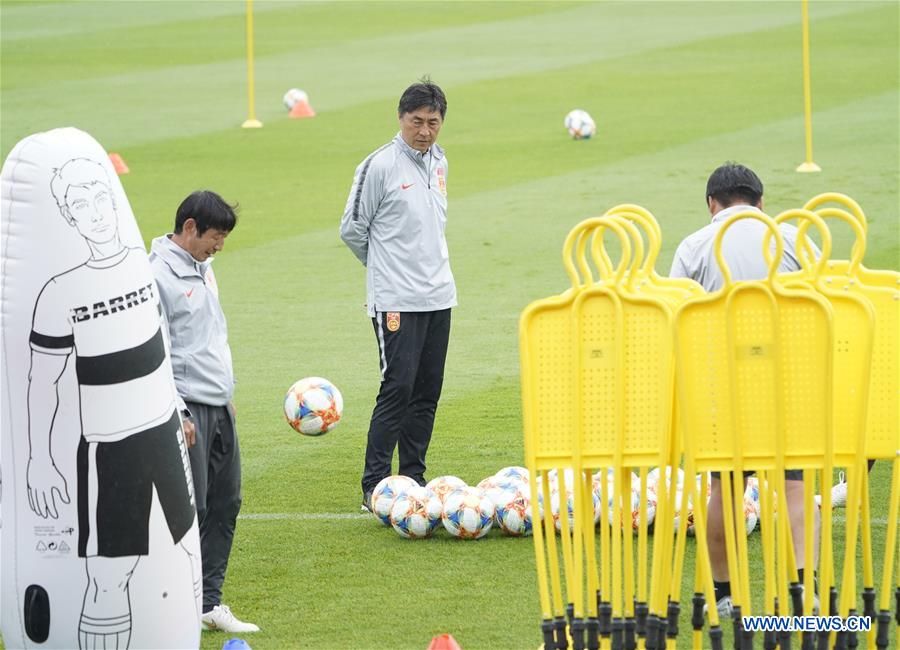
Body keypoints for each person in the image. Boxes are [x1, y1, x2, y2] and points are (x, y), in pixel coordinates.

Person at [27, 157, 199, 649]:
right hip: (110, 448)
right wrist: (41, 459)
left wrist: (177, 411)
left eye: (101, 197)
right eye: (80, 205)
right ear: (69, 216)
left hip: (161, 433)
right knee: (107, 576)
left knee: (187, 549)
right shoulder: (59, 292)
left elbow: (160, 344)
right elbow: (44, 381)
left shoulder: (138, 269)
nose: (96, 212)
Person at [670, 162, 822, 619]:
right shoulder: (793, 239)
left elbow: (675, 317)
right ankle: (804, 590)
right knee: (795, 488)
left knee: (726, 488)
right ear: (761, 203)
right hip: (787, 385)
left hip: (721, 389)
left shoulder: (695, 245)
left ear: (711, 204)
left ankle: (725, 594)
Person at [340, 78, 457, 510]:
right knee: (398, 388)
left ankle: (412, 479)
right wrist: (387, 269)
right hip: (396, 300)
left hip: (440, 294)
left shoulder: (439, 161)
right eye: (416, 122)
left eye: (433, 122)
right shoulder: (379, 165)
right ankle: (374, 487)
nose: (424, 131)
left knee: (427, 391)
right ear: (400, 118)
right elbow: (352, 228)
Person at [149, 190, 258, 634]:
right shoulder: (157, 276)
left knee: (226, 501)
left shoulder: (204, 269)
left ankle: (209, 602)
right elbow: (158, 348)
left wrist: (226, 390)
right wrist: (178, 410)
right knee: (187, 509)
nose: (220, 246)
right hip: (188, 409)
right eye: (216, 236)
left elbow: (213, 336)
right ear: (190, 228)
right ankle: (175, 602)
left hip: (218, 402)